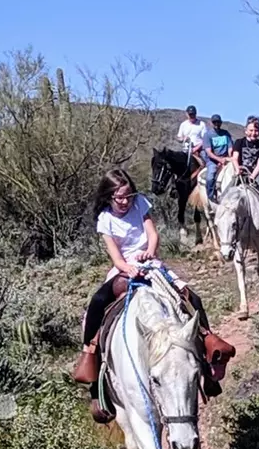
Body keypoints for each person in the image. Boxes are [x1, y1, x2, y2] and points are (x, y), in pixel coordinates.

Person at [71, 168, 233, 414]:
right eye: (119, 197)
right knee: (96, 304)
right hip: (125, 270)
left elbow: (152, 234)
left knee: (191, 297)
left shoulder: (140, 204)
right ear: (108, 197)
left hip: (150, 264)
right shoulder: (105, 218)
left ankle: (208, 352)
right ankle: (93, 366)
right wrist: (128, 268)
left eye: (128, 195)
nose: (125, 201)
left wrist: (150, 252)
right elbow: (115, 256)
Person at [176, 105, 210, 189]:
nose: (192, 116)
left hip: (198, 149)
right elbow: (179, 137)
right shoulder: (183, 125)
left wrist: (196, 148)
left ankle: (207, 183)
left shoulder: (201, 124)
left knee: (206, 163)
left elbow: (204, 139)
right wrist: (183, 138)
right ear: (187, 114)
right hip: (186, 149)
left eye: (193, 114)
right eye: (190, 114)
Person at [202, 114, 233, 202]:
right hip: (213, 160)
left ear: (221, 123)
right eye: (214, 122)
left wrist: (230, 157)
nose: (216, 124)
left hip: (226, 158)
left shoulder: (225, 133)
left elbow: (230, 147)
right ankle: (211, 198)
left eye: (218, 122)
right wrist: (219, 160)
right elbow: (208, 152)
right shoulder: (207, 135)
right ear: (212, 123)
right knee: (210, 176)